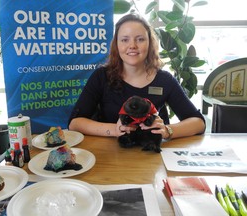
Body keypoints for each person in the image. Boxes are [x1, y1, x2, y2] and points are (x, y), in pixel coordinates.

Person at [68, 13, 205, 140]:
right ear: (116, 45)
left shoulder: (165, 80)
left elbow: (198, 122)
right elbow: (75, 123)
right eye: (125, 40)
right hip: (112, 155)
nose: (132, 46)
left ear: (150, 43)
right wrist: (113, 130)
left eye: (140, 39)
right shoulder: (101, 76)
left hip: (153, 155)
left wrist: (168, 130)